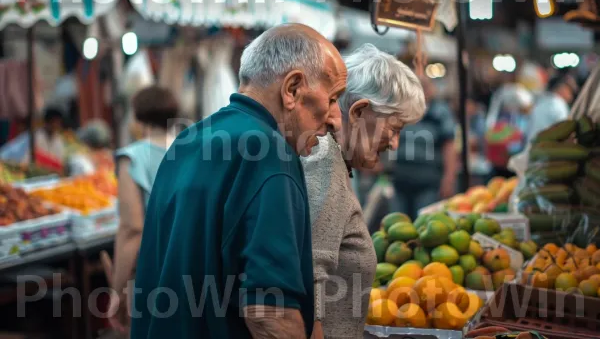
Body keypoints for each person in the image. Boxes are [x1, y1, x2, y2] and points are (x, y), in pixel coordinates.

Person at [130, 24, 346, 339]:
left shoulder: (186, 142)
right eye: (333, 98)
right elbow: (271, 313)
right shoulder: (270, 153)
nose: (335, 119)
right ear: (293, 89)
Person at [302, 44, 425, 338]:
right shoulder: (323, 163)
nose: (395, 144)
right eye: (394, 129)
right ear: (359, 112)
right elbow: (308, 284)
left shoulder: (334, 162)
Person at [106, 86, 179, 333]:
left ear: (137, 117)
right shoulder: (195, 148)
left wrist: (116, 292)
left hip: (155, 277)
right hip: (200, 271)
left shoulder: (132, 157)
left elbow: (132, 229)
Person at [393, 76, 458, 218]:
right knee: (396, 226)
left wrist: (449, 179)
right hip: (400, 180)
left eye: (424, 87)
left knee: (423, 223)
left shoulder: (440, 112)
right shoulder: (401, 111)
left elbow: (449, 147)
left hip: (428, 183)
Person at [527, 74, 579, 141]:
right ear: (562, 88)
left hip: (533, 148)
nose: (572, 96)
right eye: (571, 91)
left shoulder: (541, 102)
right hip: (545, 149)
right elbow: (564, 132)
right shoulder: (559, 104)